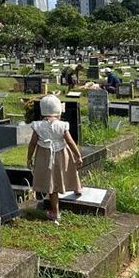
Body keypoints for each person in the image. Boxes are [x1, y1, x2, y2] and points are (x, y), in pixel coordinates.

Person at [27, 95, 83, 225]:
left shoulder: (38, 126)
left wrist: (29, 158)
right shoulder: (62, 125)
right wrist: (78, 155)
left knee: (51, 184)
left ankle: (55, 211)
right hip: (62, 153)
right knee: (70, 171)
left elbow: (32, 143)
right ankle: (77, 188)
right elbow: (70, 141)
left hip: (45, 155)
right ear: (58, 110)